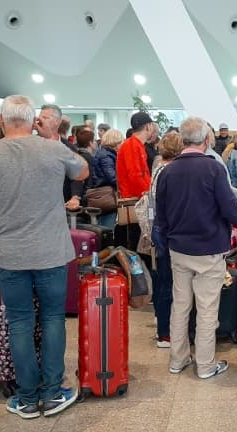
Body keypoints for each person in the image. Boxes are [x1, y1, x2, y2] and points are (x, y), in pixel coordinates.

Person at [0, 94, 88, 419]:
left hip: (9, 255)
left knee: (19, 322)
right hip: (51, 252)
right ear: (34, 121)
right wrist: (51, 137)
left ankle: (27, 399)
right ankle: (53, 392)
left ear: (1, 122)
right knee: (53, 318)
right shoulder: (53, 148)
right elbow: (83, 171)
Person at [155, 116, 237, 379]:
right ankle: (205, 365)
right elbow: (229, 209)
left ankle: (177, 360)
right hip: (209, 249)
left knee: (180, 306)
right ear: (206, 140)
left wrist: (167, 242)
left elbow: (161, 215)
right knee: (207, 308)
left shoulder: (167, 170)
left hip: (178, 249)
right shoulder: (212, 168)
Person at [149, 132, 184, 348]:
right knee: (168, 284)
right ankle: (165, 333)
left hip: (158, 231)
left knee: (163, 281)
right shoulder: (168, 172)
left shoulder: (158, 169)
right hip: (167, 232)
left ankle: (163, 327)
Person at [116, 112, 153, 250]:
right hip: (136, 202)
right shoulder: (132, 145)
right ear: (148, 126)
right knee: (138, 243)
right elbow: (136, 175)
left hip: (137, 199)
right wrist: (149, 194)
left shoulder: (134, 144)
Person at [90, 129, 123, 228]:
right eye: (121, 142)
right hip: (107, 195)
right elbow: (112, 177)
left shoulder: (104, 153)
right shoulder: (107, 156)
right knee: (106, 227)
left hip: (103, 193)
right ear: (115, 142)